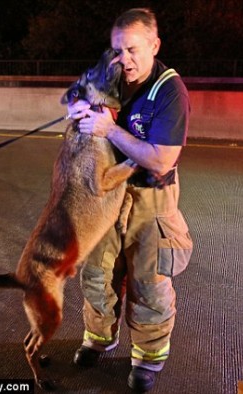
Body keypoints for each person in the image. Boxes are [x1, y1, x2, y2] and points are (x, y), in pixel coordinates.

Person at [67, 8, 193, 393]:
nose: (125, 60)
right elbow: (73, 93)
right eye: (117, 50)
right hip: (107, 194)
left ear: (154, 45)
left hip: (151, 199)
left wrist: (109, 129)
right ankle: (100, 337)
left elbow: (160, 159)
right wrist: (76, 107)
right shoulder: (114, 72)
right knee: (97, 272)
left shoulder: (170, 91)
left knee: (148, 282)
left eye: (133, 50)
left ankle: (148, 357)